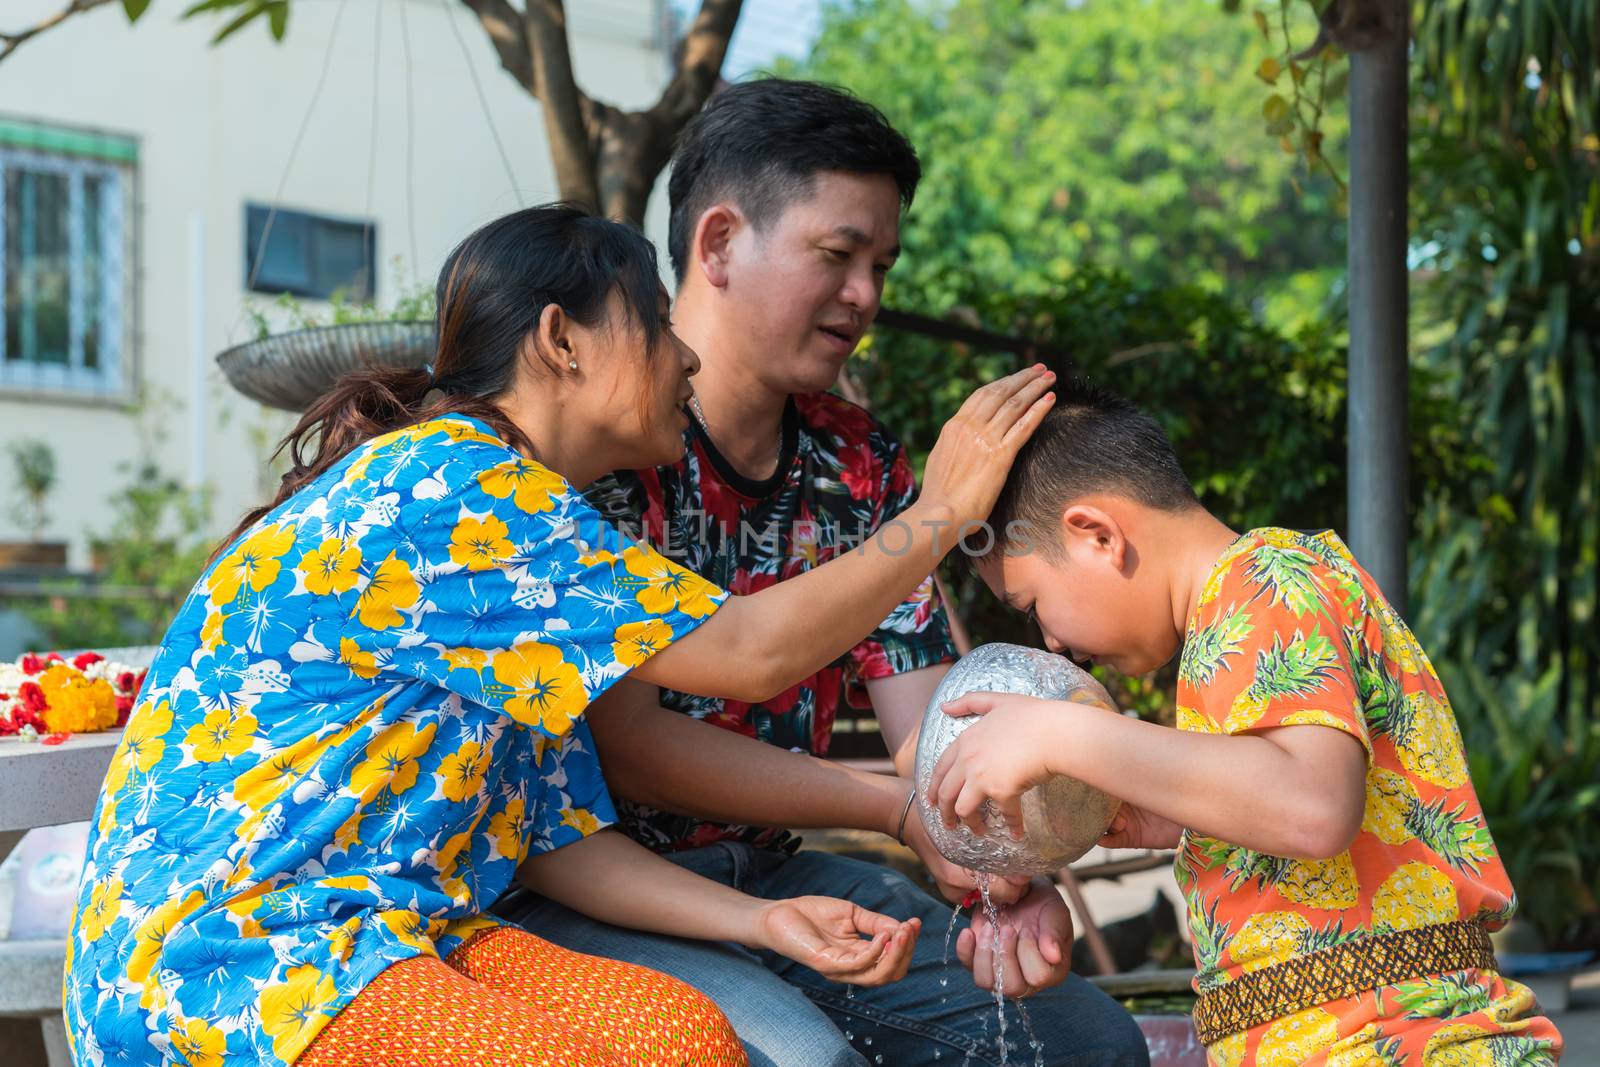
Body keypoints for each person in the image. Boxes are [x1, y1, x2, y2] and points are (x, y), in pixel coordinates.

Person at [63, 205, 1056, 1067]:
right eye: (660, 326)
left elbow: (556, 836)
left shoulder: (530, 522)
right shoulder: (454, 484)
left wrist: (764, 919)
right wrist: (939, 510)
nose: (689, 357)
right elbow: (750, 649)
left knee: (683, 1039)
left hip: (395, 934)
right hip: (236, 955)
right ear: (561, 340)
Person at [494, 79, 1149, 1067]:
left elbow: (937, 740)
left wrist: (1001, 861)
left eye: (881, 264)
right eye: (836, 256)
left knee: (1087, 1042)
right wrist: (897, 804)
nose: (866, 295)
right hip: (582, 887)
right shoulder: (596, 449)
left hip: (774, 872)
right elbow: (633, 745)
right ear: (715, 244)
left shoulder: (858, 461)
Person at [927, 377, 1566, 1065]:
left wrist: (1061, 733)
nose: (1049, 640)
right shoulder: (1233, 621)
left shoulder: (1263, 580)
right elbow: (1298, 809)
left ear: (1098, 535)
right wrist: (1181, 817)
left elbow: (1312, 804)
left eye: (1031, 603)